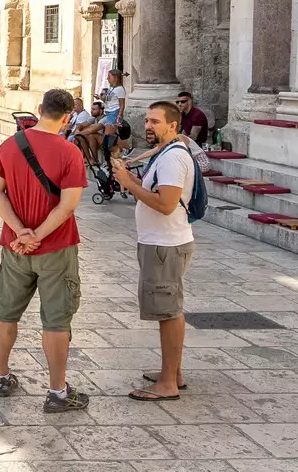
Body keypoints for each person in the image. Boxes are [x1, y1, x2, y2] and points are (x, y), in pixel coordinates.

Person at [0, 87, 90, 413]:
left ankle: (2, 376)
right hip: (56, 248)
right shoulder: (69, 152)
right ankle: (58, 392)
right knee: (57, 320)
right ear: (68, 116)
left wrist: (20, 232)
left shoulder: (9, 145)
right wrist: (38, 236)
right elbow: (67, 206)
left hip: (15, 247)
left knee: (6, 313)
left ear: (39, 108)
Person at [111, 100, 196, 402]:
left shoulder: (173, 159)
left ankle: (168, 383)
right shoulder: (165, 154)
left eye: (156, 122)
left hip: (165, 245)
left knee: (168, 312)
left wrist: (129, 186)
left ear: (173, 125)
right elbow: (155, 192)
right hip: (160, 242)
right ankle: (173, 372)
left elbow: (166, 204)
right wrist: (129, 178)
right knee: (168, 309)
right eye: (147, 121)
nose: (148, 126)